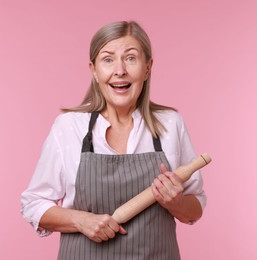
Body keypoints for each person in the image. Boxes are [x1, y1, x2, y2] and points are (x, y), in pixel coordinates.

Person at [21, 20, 206, 259]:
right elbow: (33, 203)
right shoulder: (69, 127)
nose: (120, 70)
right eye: (108, 59)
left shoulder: (170, 124)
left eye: (130, 58)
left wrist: (176, 203)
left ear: (147, 68)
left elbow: (194, 208)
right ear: (94, 70)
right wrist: (80, 220)